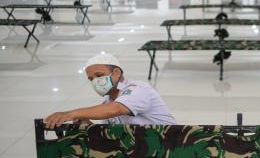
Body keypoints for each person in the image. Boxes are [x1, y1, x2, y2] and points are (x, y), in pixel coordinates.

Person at [44, 53, 176, 129]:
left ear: (116, 73)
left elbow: (115, 109)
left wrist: (71, 114)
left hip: (170, 149)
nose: (95, 81)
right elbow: (111, 133)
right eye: (91, 78)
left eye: (99, 75)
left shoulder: (137, 89)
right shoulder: (107, 102)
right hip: (146, 150)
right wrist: (87, 123)